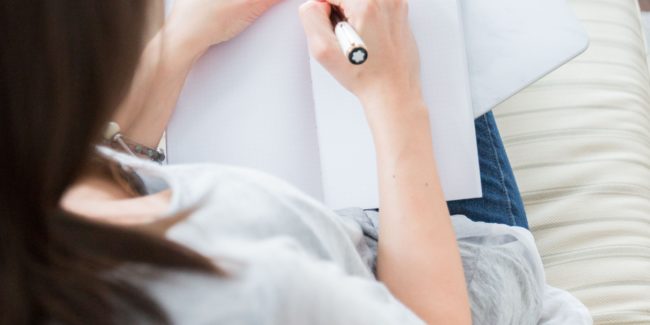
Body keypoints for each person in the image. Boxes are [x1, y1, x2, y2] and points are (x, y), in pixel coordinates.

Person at [0, 0, 591, 324]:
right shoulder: (249, 289)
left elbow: (100, 169)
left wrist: (182, 41)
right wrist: (394, 94)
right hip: (450, 268)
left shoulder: (30, 199)